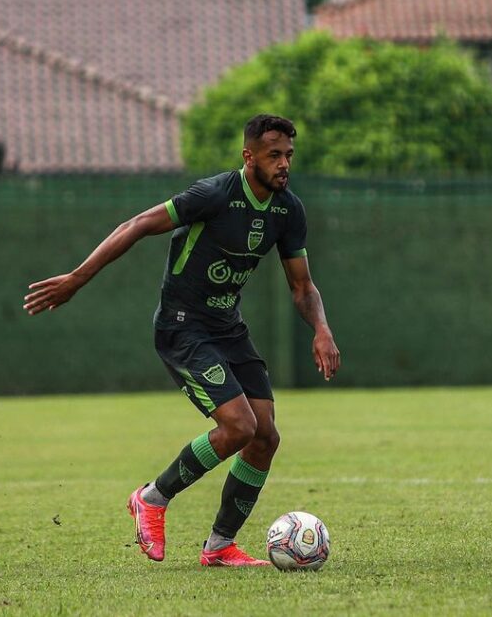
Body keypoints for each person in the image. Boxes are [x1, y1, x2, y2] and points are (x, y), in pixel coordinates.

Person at [23, 114, 340, 567]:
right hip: (182, 325)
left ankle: (219, 546)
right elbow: (136, 224)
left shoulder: (288, 210)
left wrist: (322, 329)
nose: (283, 164)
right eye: (274, 155)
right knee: (240, 426)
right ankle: (152, 497)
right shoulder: (214, 194)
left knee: (265, 436)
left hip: (228, 328)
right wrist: (77, 278)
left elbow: (302, 286)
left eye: (288, 155)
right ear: (249, 156)